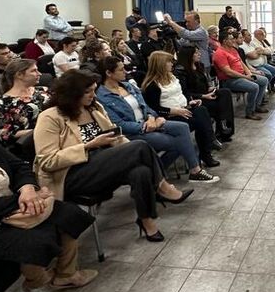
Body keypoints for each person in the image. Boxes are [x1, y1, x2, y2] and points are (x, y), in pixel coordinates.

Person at [0, 107, 98, 290]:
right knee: (35, 241)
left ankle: (66, 274)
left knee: (68, 212)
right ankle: (37, 279)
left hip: (15, 207)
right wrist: (22, 200)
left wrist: (28, 189)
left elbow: (19, 167)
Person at [34, 69, 193, 242]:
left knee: (140, 171)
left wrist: (128, 151)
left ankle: (147, 221)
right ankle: (163, 187)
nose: (93, 95)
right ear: (72, 93)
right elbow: (47, 161)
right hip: (73, 174)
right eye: (87, 92)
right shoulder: (50, 117)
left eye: (94, 90)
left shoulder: (94, 108)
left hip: (104, 163)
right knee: (139, 146)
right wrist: (87, 146)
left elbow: (115, 137)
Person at [96, 57, 216, 182]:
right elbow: (119, 124)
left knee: (182, 128)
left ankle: (168, 172)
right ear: (109, 73)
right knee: (178, 142)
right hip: (133, 132)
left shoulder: (128, 86)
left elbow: (146, 106)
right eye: (121, 70)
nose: (126, 72)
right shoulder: (102, 97)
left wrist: (153, 118)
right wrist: (146, 126)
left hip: (149, 121)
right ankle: (167, 173)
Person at [141, 51, 222, 170]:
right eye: (169, 62)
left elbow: (180, 95)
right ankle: (207, 151)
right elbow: (155, 109)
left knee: (202, 110)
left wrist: (190, 102)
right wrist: (176, 111)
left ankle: (207, 149)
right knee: (200, 121)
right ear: (160, 64)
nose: (172, 64)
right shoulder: (152, 85)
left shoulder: (172, 77)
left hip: (183, 109)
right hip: (168, 116)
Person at [176, 46, 235, 141]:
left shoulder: (199, 65)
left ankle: (225, 128)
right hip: (195, 99)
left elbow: (203, 84)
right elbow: (184, 92)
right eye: (196, 53)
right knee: (219, 105)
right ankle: (222, 129)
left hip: (205, 94)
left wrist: (209, 88)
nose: (199, 54)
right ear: (189, 55)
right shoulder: (181, 71)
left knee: (225, 93)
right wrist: (203, 96)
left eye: (198, 52)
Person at [0, 59, 49, 151]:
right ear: (19, 75)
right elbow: (5, 135)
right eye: (34, 71)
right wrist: (42, 130)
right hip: (32, 145)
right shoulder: (2, 104)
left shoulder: (43, 90)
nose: (39, 74)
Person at [213, 30, 269, 120]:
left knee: (263, 80)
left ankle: (256, 105)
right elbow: (228, 72)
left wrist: (250, 74)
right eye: (231, 39)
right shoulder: (219, 53)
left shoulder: (233, 50)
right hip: (229, 80)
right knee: (254, 87)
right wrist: (245, 77)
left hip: (241, 76)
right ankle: (250, 112)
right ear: (224, 41)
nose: (233, 41)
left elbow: (242, 63)